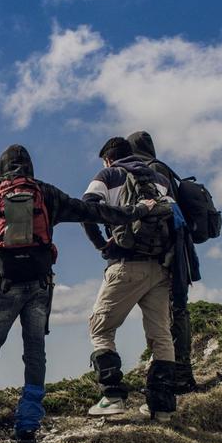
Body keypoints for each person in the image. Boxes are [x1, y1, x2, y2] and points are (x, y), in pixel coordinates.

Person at [0, 144, 154, 443]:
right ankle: (27, 428)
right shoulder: (45, 192)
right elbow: (92, 210)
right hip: (39, 286)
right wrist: (138, 211)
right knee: (35, 354)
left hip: (3, 286)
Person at [82, 137, 180, 421]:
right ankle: (161, 407)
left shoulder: (108, 175)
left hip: (126, 264)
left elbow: (87, 208)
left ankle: (112, 396)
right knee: (160, 334)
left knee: (100, 328)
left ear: (108, 159)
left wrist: (102, 244)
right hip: (161, 267)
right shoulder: (159, 179)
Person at [126, 131, 201, 394]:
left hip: (166, 253)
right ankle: (181, 373)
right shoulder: (164, 169)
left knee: (170, 311)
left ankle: (176, 375)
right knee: (176, 309)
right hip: (180, 249)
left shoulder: (147, 171)